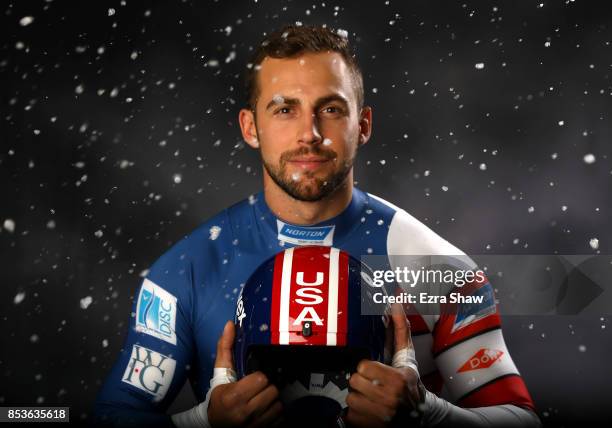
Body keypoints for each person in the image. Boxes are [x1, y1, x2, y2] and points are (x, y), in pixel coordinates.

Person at [93, 24, 541, 427]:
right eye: (285, 110)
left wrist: (429, 415)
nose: (309, 132)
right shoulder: (187, 272)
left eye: (330, 109)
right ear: (251, 127)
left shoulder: (434, 268)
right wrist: (202, 422)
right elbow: (112, 416)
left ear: (362, 124)